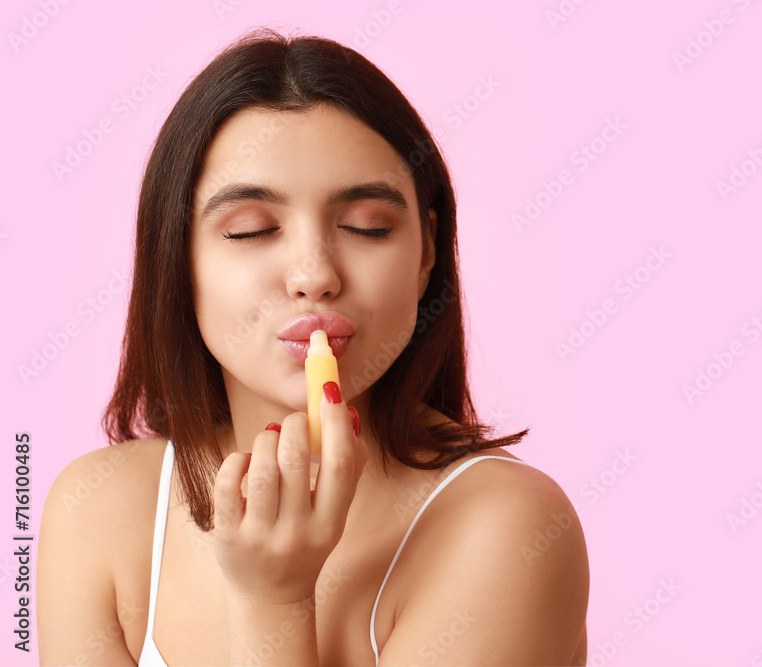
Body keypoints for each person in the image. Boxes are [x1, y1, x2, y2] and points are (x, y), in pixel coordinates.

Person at [37, 27, 589, 666]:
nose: (314, 275)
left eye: (366, 227)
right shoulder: (94, 512)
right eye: (250, 230)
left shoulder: (506, 529)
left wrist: (274, 601)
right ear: (177, 260)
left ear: (426, 253)